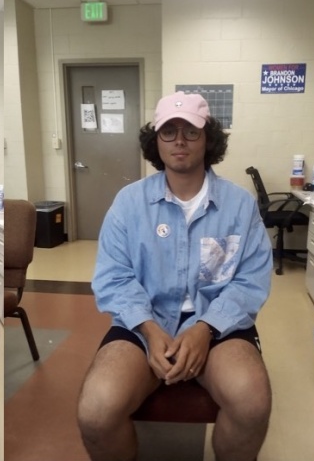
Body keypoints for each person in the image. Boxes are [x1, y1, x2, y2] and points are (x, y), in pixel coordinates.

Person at [77, 91, 273, 461]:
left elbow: (250, 279)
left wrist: (205, 330)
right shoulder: (129, 203)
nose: (179, 141)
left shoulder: (239, 205)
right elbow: (113, 276)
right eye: (169, 131)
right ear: (156, 141)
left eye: (191, 131)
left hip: (219, 325)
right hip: (143, 323)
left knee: (252, 403)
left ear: (208, 139)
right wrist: (150, 331)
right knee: (96, 412)